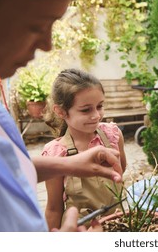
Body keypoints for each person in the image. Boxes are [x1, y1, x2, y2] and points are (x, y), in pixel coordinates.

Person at [0, 0, 123, 232]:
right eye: (36, 26)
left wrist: (68, 165)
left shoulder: (111, 135)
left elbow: (8, 167)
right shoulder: (56, 148)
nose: (47, 44)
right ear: (61, 112)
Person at [42, 68, 127, 230]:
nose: (96, 115)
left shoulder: (113, 135)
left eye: (99, 106)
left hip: (118, 223)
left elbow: (121, 169)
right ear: (60, 111)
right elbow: (54, 209)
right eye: (86, 109)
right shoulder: (55, 154)